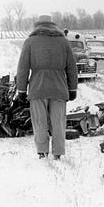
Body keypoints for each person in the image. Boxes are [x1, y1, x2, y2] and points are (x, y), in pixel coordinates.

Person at [16, 15, 78, 160]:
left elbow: (23, 68)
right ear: (53, 25)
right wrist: (72, 88)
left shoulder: (30, 42)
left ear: (37, 26)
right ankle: (57, 153)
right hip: (59, 89)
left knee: (39, 122)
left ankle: (42, 152)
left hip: (38, 89)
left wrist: (21, 90)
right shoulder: (63, 42)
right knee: (58, 123)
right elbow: (72, 68)